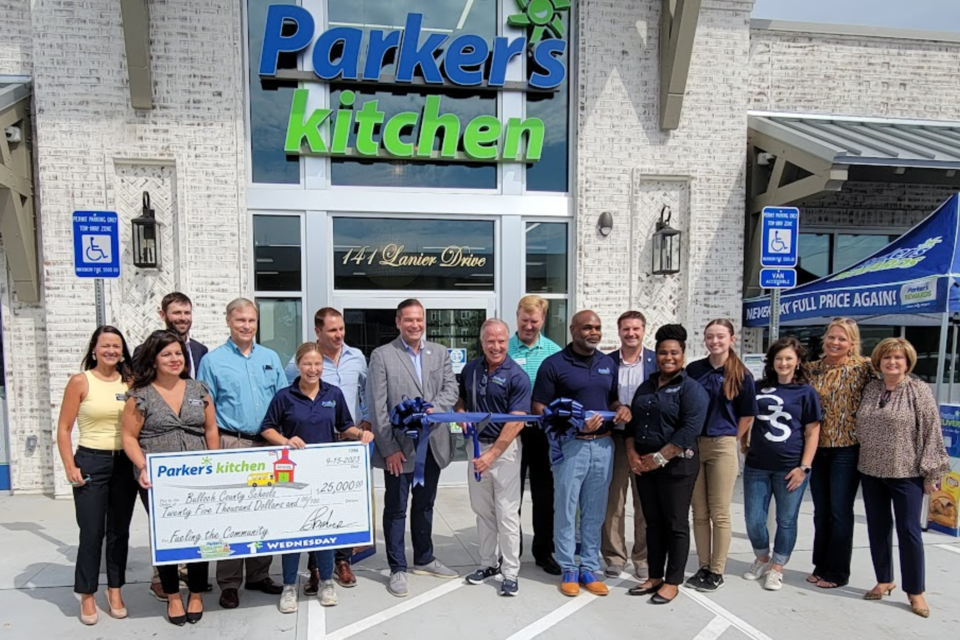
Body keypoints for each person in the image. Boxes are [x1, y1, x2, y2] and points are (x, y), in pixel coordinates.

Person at [261, 342, 374, 612]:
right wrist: (286, 441)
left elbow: (344, 426)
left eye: (317, 364)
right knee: (291, 533)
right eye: (307, 364)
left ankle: (325, 582)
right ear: (298, 366)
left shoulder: (332, 393)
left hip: (324, 475)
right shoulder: (284, 396)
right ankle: (289, 586)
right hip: (292, 475)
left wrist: (361, 434)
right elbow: (267, 429)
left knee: (324, 531)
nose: (313, 369)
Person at [121, 330, 220, 626]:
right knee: (168, 537)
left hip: (197, 475)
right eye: (167, 354)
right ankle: (173, 595)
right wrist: (142, 467)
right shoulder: (140, 395)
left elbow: (211, 429)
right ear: (154, 358)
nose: (174, 359)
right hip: (158, 479)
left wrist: (213, 462)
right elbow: (128, 436)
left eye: (178, 353)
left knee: (199, 534)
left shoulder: (198, 389)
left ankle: (197, 592)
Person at [532, 310, 632, 597]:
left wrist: (619, 408)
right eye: (587, 327)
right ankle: (568, 568)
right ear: (573, 330)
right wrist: (574, 422)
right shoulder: (554, 364)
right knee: (565, 508)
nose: (594, 332)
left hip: (603, 445)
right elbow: (539, 406)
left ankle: (589, 567)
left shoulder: (607, 363)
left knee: (595, 510)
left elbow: (611, 398)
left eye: (598, 328)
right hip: (570, 445)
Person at [197, 298, 288, 609]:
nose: (247, 326)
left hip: (268, 444)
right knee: (232, 515)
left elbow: (282, 400)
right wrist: (213, 454)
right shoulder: (212, 361)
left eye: (251, 320)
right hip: (231, 444)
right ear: (228, 321)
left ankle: (259, 574)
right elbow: (206, 409)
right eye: (240, 321)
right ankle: (229, 582)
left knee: (264, 512)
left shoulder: (270, 357)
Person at [367, 299, 460, 597]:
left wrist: (435, 408)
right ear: (398, 322)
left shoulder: (440, 352)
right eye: (408, 320)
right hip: (399, 450)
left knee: (425, 505)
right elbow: (377, 406)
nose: (415, 325)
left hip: (432, 445)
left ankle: (424, 557)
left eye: (419, 319)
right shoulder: (382, 356)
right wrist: (389, 447)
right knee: (395, 509)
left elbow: (451, 389)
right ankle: (397, 568)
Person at [856, 338, 949, 618]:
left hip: (906, 472)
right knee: (877, 528)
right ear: (879, 362)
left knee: (909, 533)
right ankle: (884, 579)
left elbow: (932, 431)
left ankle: (915, 591)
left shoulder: (918, 390)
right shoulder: (872, 389)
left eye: (898, 358)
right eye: (886, 358)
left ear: (907, 362)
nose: (892, 362)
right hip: (871, 471)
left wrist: (932, 472)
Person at [284, 307, 371, 592]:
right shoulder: (298, 363)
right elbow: (288, 399)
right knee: (314, 507)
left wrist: (365, 424)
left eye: (341, 329)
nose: (339, 335)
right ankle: (315, 568)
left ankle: (343, 561)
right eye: (332, 330)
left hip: (348, 441)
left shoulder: (356, 357)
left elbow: (365, 392)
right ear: (317, 331)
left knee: (342, 505)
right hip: (314, 444)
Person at [56, 326, 138, 625]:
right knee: (91, 532)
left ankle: (115, 591)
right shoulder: (81, 381)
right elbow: (64, 428)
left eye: (116, 346)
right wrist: (69, 465)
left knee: (119, 532)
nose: (111, 351)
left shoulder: (130, 382)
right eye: (105, 346)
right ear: (94, 349)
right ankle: (87, 594)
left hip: (124, 465)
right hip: (91, 461)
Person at [625, 324, 708, 605]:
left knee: (675, 524)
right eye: (662, 352)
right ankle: (655, 576)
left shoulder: (691, 389)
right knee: (653, 523)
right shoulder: (646, 386)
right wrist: (633, 454)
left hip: (676, 468)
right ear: (656, 355)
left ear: (683, 355)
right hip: (645, 466)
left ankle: (673, 581)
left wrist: (660, 458)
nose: (667, 357)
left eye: (674, 352)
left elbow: (689, 429)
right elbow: (633, 424)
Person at [135, 292, 209, 602]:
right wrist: (141, 465)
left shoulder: (201, 351)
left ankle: (192, 581)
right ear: (163, 313)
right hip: (159, 457)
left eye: (186, 312)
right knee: (166, 525)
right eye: (176, 312)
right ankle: (163, 580)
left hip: (194, 453)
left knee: (198, 523)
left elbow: (206, 409)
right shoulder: (143, 352)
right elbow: (136, 404)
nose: (182, 317)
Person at [455, 319, 531, 597]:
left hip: (505, 451)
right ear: (482, 341)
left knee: (507, 514)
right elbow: (460, 398)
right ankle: (488, 564)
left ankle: (510, 572)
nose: (495, 346)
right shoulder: (471, 369)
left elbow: (517, 421)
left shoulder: (517, 376)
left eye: (501, 341)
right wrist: (460, 410)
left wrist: (492, 454)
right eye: (490, 341)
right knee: (482, 510)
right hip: (475, 447)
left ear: (507, 340)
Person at [741, 338, 821, 591]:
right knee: (754, 519)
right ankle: (762, 559)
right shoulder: (758, 387)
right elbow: (746, 416)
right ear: (771, 362)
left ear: (797, 361)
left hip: (791, 467)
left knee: (787, 520)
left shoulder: (806, 392)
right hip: (757, 466)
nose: (783, 363)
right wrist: (744, 442)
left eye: (788, 358)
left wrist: (804, 467)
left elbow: (812, 432)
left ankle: (777, 567)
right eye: (778, 358)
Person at [685, 319, 758, 591]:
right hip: (695, 445)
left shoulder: (741, 375)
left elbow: (747, 415)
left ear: (731, 339)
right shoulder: (694, 370)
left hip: (722, 445)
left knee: (720, 512)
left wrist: (730, 439)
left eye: (720, 337)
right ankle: (703, 566)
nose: (715, 342)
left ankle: (717, 570)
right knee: (699, 512)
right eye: (710, 337)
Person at [806, 317, 875, 589]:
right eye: (832, 337)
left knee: (840, 511)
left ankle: (837, 572)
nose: (835, 343)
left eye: (842, 339)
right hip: (816, 449)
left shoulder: (864, 368)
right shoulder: (811, 370)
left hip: (846, 450)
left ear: (852, 343)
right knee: (821, 511)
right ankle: (820, 565)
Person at [508, 295, 563, 575]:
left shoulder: (554, 352)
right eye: (524, 319)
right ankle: (511, 550)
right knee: (510, 494)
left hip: (543, 435)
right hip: (510, 433)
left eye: (534, 321)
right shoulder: (502, 349)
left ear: (542, 320)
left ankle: (544, 551)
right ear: (516, 315)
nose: (529, 325)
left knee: (545, 495)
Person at [602, 310, 657, 580]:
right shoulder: (608, 362)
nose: (631, 333)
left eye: (636, 329)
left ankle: (643, 557)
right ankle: (614, 556)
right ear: (619, 331)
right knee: (614, 501)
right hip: (615, 437)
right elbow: (605, 395)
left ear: (644, 331)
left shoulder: (655, 362)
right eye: (626, 329)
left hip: (647, 441)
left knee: (644, 501)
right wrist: (617, 407)